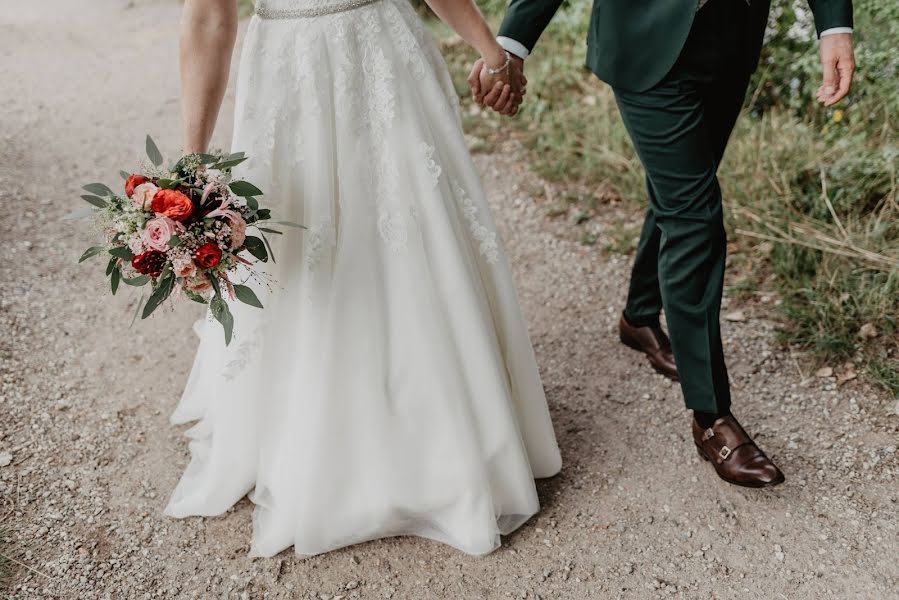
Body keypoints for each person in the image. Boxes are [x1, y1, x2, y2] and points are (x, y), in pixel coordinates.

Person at [165, 0, 561, 557]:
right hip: (291, 78)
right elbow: (208, 16)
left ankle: (429, 426)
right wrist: (192, 163)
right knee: (310, 252)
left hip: (380, 62)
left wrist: (491, 50)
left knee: (411, 238)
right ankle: (348, 439)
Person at [473, 0, 855, 487]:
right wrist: (511, 43)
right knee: (695, 220)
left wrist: (834, 25)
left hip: (733, 37)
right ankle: (711, 417)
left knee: (683, 195)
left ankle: (638, 316)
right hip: (642, 38)